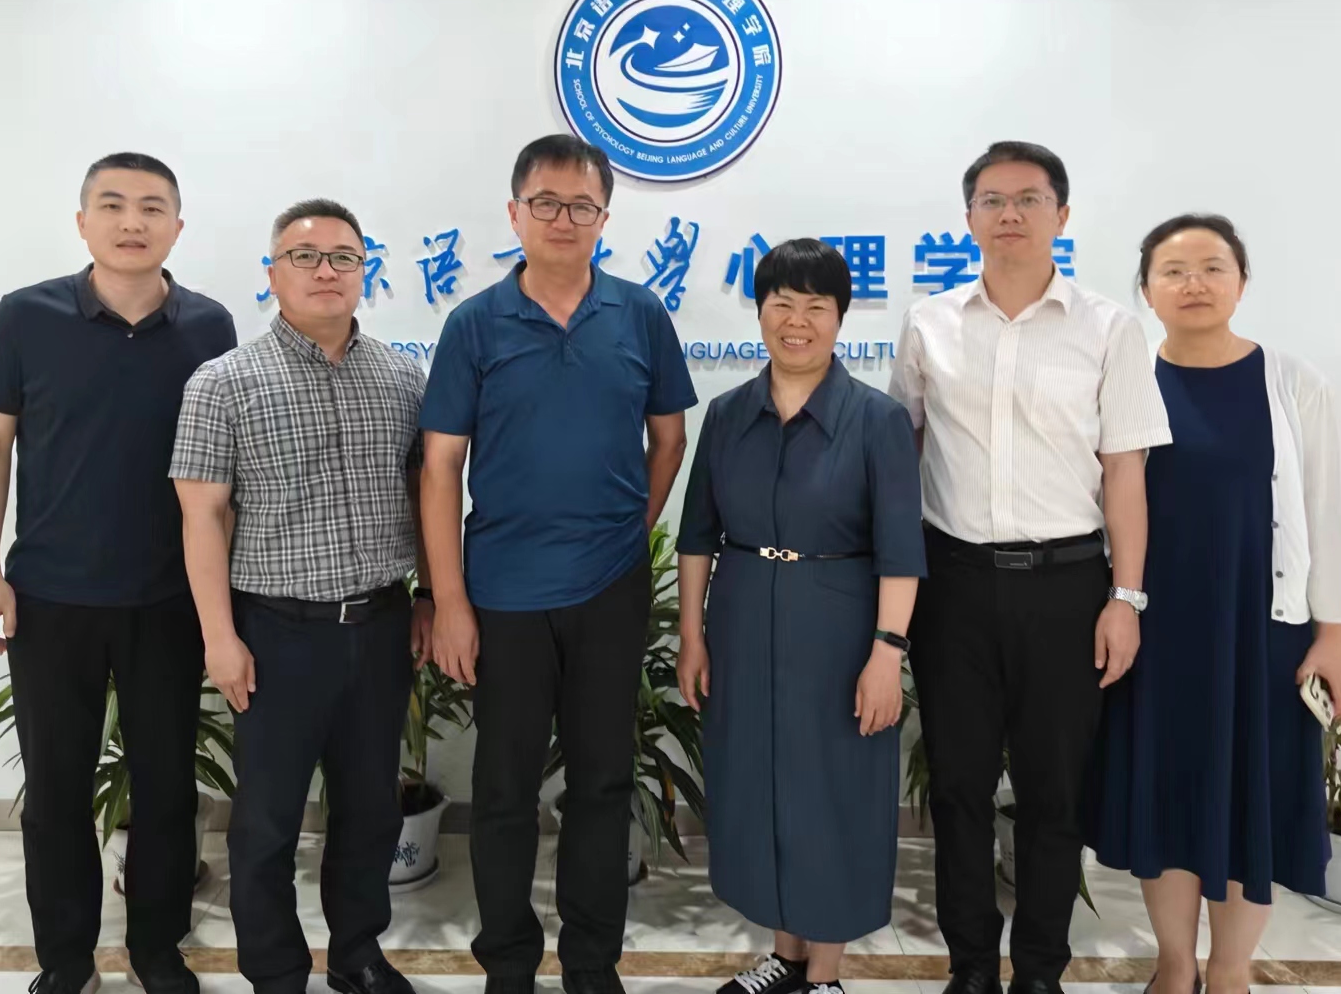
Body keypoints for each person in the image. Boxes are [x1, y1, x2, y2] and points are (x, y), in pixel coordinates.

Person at [888, 141, 1173, 994]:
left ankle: (1040, 971)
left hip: (1067, 586)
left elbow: (1125, 472)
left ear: (1062, 214)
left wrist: (1126, 596)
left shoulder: (1109, 328)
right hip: (954, 586)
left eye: (1028, 198)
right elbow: (902, 452)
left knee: (1055, 794)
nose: (1009, 213)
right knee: (958, 789)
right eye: (992, 199)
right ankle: (972, 966)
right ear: (969, 217)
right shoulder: (929, 322)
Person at [419, 134, 697, 994]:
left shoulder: (639, 313)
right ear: (515, 213)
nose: (564, 218)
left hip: (611, 589)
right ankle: (508, 964)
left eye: (582, 205)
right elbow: (440, 467)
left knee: (603, 783)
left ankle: (590, 964)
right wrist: (450, 600)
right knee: (503, 789)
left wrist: (628, 526)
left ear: (605, 217)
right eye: (546, 202)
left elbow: (670, 438)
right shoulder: (474, 324)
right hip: (503, 592)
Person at [0, 153, 236, 994]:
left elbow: (222, 478)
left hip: (168, 599)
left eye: (152, 207)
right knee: (55, 790)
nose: (131, 221)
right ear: (83, 222)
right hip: (51, 597)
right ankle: (67, 957)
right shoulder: (26, 316)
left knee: (166, 786)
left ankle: (157, 948)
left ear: (177, 227)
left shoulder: (210, 326)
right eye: (112, 205)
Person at [1086, 214, 1341, 994]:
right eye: (1173, 271)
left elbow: (1331, 513)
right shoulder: (1126, 381)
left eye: (1212, 267)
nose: (1194, 283)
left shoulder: (1293, 383)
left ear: (1242, 282)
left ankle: (1232, 970)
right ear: (1146, 291)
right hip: (1154, 630)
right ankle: (1174, 965)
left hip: (1263, 632)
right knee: (1166, 797)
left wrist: (1335, 633)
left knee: (1251, 801)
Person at [169, 199, 432, 994]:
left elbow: (423, 495)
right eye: (305, 255)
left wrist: (427, 596)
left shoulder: (402, 377)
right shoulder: (223, 382)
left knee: (370, 810)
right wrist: (219, 636)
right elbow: (201, 516)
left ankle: (357, 952)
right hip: (275, 632)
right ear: (273, 273)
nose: (326, 270)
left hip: (381, 624)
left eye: (344, 257)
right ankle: (276, 971)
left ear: (364, 272)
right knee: (266, 820)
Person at [675, 239, 927, 994]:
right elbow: (697, 536)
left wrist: (887, 652)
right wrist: (691, 636)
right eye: (781, 303)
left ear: (840, 317)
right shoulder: (726, 415)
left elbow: (901, 550)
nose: (797, 321)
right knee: (757, 784)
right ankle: (784, 956)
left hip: (841, 628)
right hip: (743, 621)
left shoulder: (877, 419)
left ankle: (825, 972)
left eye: (816, 306)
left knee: (834, 791)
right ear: (759, 311)